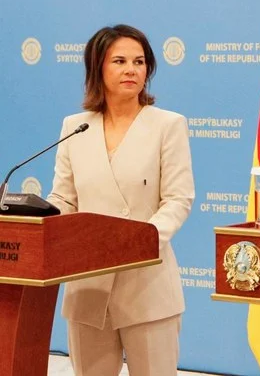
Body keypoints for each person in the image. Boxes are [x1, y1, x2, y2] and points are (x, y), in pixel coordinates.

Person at [47, 24, 195, 376]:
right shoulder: (75, 126)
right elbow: (63, 199)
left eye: (139, 61)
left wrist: (138, 241)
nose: (132, 69)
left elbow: (178, 199)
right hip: (88, 286)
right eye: (120, 61)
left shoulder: (167, 125)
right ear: (98, 68)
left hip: (146, 283)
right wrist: (36, 218)